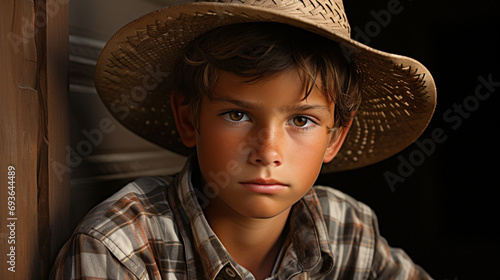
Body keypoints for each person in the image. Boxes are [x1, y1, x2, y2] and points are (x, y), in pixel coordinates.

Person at [51, 0, 436, 279]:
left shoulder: (348, 229)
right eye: (237, 115)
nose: (267, 151)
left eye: (301, 120)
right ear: (188, 120)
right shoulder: (120, 249)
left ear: (335, 138)